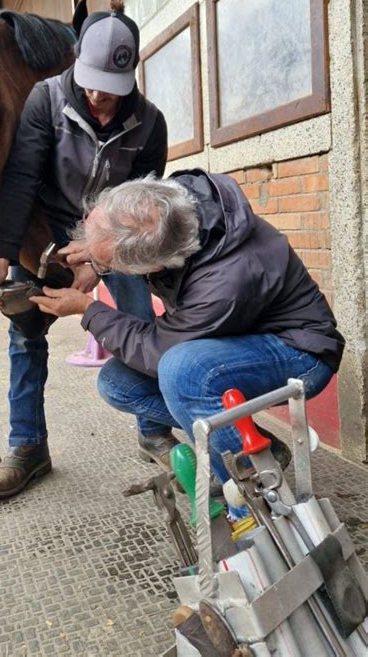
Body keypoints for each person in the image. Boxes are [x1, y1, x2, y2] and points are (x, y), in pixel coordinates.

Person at [30, 170, 344, 488]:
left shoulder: (225, 281)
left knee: (184, 371)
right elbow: (135, 232)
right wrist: (96, 247)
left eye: (107, 267)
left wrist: (86, 309)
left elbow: (159, 351)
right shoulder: (172, 205)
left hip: (300, 351)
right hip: (243, 333)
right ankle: (253, 444)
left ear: (154, 268)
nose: (100, 270)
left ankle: (250, 491)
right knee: (117, 382)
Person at [0, 0, 168, 498]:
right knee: (24, 329)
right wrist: (3, 253)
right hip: (47, 229)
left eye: (112, 89)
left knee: (138, 324)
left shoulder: (149, 124)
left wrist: (101, 262)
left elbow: (143, 211)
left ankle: (152, 430)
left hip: (116, 234)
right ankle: (29, 447)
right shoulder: (45, 100)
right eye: (90, 83)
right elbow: (20, 179)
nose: (99, 97)